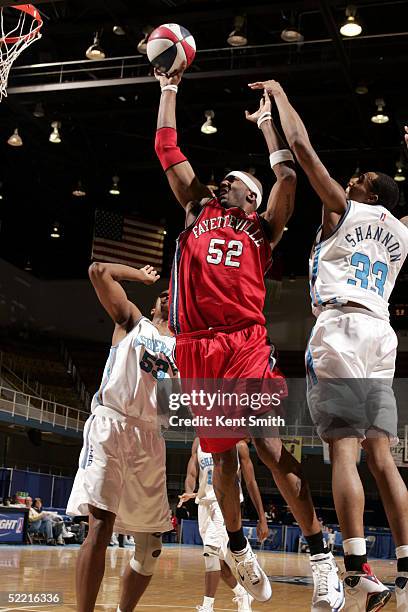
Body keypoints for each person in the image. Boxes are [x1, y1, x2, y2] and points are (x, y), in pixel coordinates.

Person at [154, 66, 343, 610]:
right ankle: (237, 549)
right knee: (224, 461)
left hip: (244, 342)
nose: (225, 182)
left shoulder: (263, 228)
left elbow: (287, 180)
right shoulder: (195, 210)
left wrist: (267, 127)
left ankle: (322, 557)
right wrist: (168, 87)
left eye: (236, 181)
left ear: (249, 195)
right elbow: (166, 146)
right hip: (196, 349)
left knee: (266, 444)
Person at [250, 78, 408, 611]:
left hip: (341, 328)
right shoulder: (400, 231)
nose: (353, 179)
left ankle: (358, 569)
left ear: (371, 196)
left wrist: (280, 97)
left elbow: (301, 150)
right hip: (381, 334)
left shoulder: (346, 206)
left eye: (362, 180)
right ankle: (406, 568)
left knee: (344, 450)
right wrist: (266, 125)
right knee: (381, 457)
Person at [66, 263, 178, 612]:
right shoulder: (132, 321)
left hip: (150, 437)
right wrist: (139, 276)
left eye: (173, 293)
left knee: (150, 548)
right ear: (152, 307)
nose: (166, 294)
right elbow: (98, 272)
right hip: (112, 424)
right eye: (160, 293)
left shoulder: (187, 347)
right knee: (100, 526)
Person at [179, 438, 267, 612]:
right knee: (221, 563)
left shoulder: (239, 446)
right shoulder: (198, 442)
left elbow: (251, 482)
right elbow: (191, 474)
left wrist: (262, 517)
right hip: (204, 505)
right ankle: (242, 593)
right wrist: (189, 492)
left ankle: (207, 606)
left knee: (210, 553)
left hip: (226, 503)